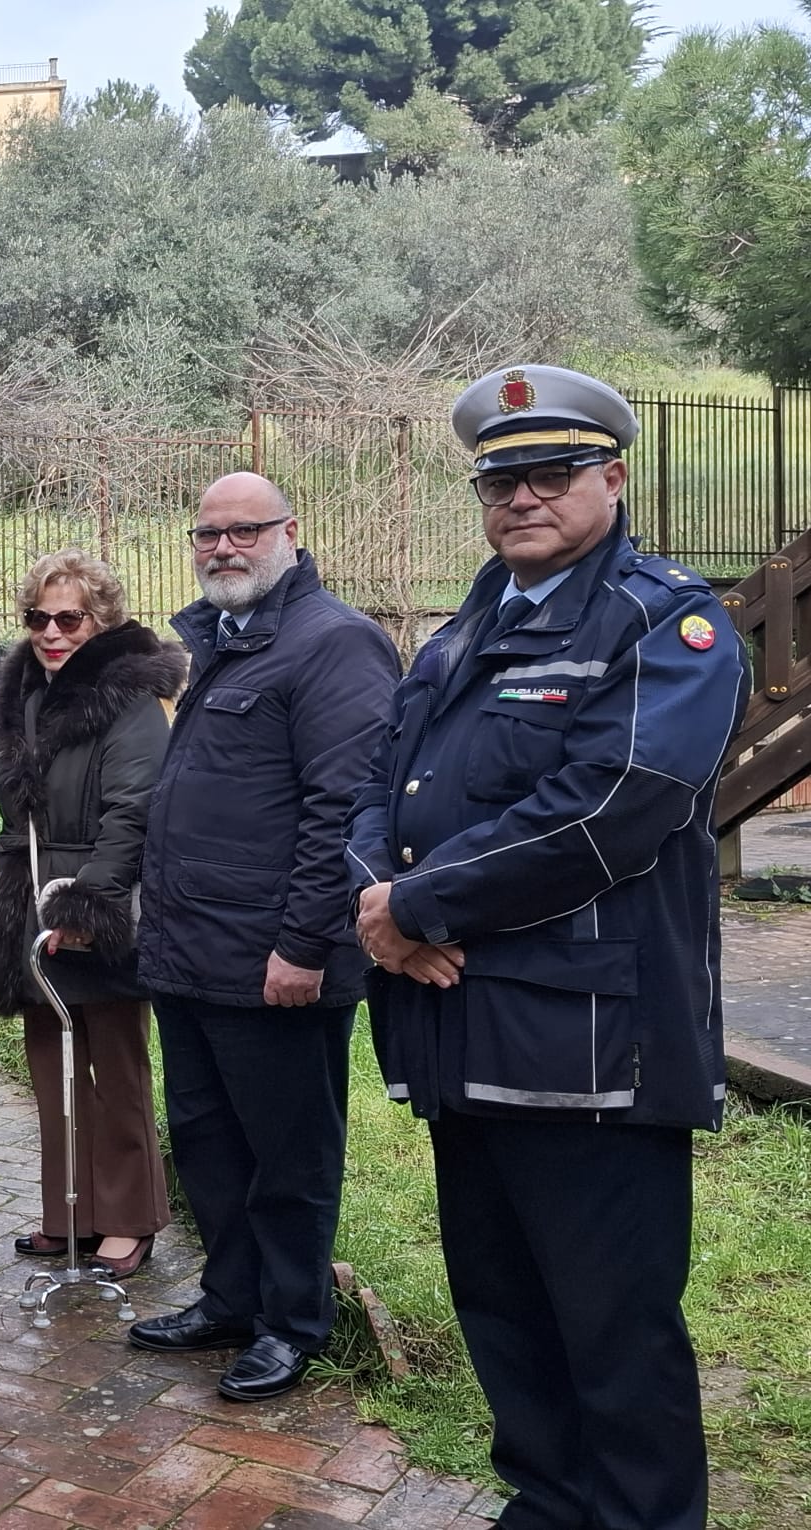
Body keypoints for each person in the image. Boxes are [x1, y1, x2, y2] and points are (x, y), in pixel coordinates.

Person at [349, 365, 746, 1529]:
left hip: (592, 1049)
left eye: (553, 472)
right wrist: (381, 899)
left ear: (612, 479)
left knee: (613, 1326)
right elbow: (381, 792)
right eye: (501, 478)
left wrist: (420, 909)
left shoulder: (664, 620)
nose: (524, 496)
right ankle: (550, 1502)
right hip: (462, 1031)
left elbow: (614, 801)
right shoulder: (463, 629)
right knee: (504, 1306)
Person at [127, 473, 400, 1402]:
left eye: (245, 531)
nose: (224, 549)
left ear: (291, 532)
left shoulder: (336, 644)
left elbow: (345, 811)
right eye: (208, 533)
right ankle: (231, 1297)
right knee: (207, 1139)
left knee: (288, 1152)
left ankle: (291, 1322)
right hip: (191, 954)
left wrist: (308, 945)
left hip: (274, 961)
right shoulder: (223, 644)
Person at [0, 550, 185, 1277]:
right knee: (49, 1059)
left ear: (101, 620)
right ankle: (70, 1210)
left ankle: (131, 1216)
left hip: (95, 897)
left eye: (69, 618)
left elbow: (133, 810)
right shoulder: (25, 693)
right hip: (30, 893)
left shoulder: (128, 695)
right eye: (38, 618)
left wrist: (91, 900)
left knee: (113, 1063)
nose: (51, 633)